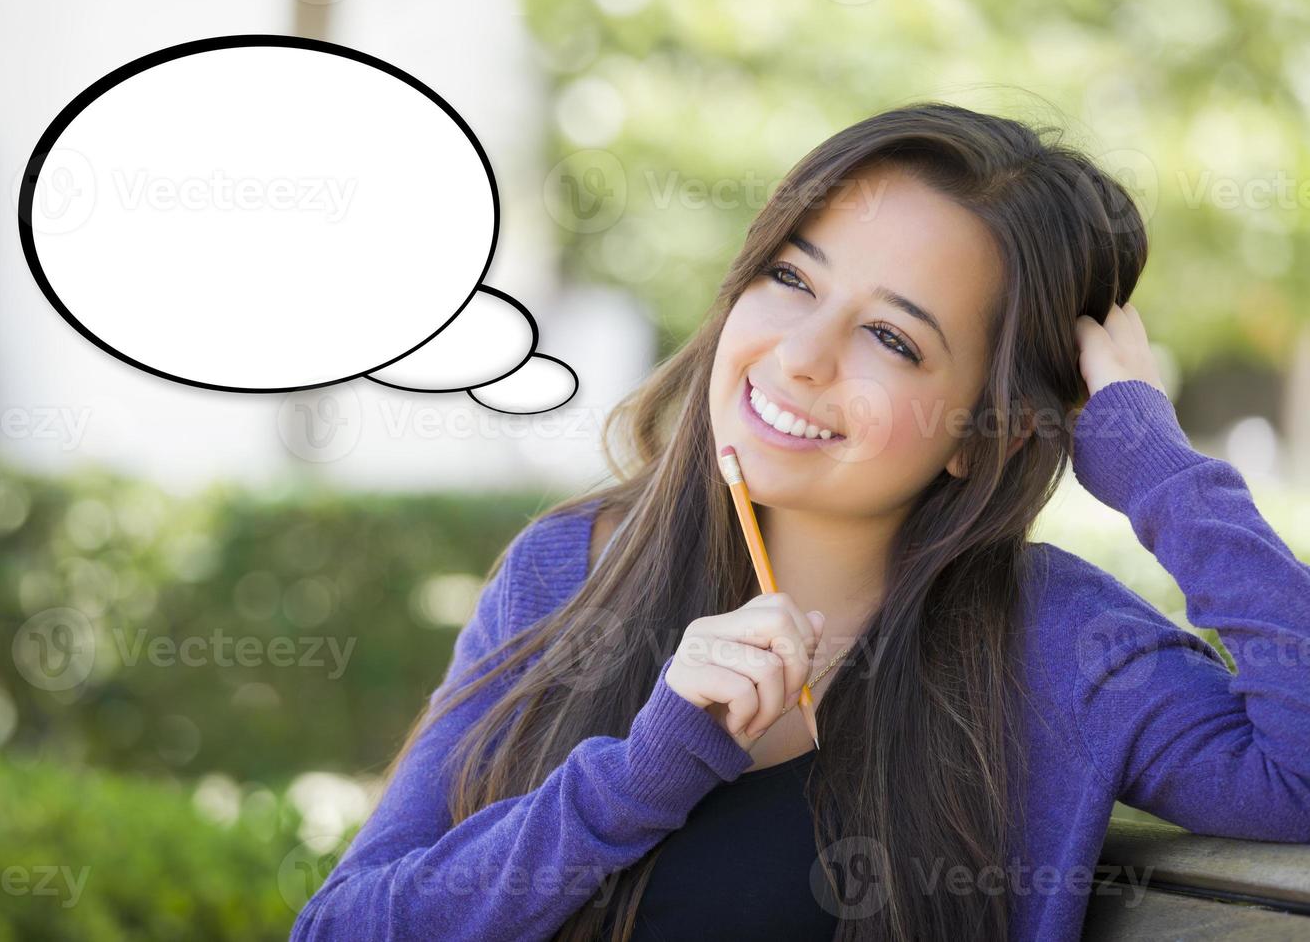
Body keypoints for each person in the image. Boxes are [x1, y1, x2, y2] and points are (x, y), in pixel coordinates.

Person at [290, 101, 1310, 942]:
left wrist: (1155, 467)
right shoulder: (567, 570)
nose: (799, 354)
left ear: (980, 429)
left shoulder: (1054, 642)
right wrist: (639, 775)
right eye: (790, 277)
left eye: (888, 336)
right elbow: (339, 927)